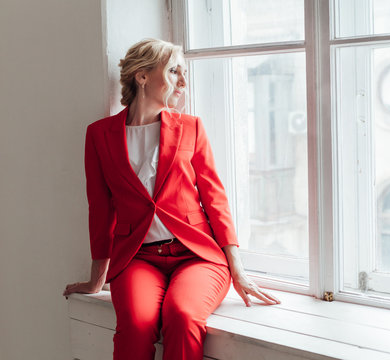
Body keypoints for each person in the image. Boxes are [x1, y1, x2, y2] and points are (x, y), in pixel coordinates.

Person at [63, 38, 280, 360]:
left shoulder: (191, 127)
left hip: (196, 255)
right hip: (138, 258)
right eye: (174, 71)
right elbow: (100, 207)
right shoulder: (99, 134)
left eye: (184, 72)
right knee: (135, 324)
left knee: (182, 316)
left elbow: (214, 198)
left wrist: (238, 269)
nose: (183, 82)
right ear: (142, 76)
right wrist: (97, 278)